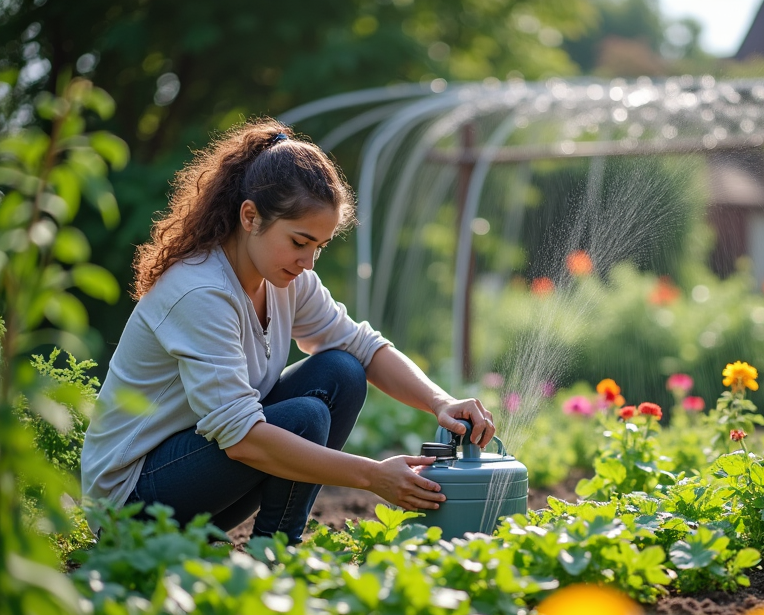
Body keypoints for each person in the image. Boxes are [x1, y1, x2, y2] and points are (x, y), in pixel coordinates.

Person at [81, 119, 495, 544]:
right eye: (299, 242)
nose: (308, 261)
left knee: (343, 371)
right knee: (305, 417)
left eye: (319, 246)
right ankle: (277, 552)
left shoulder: (286, 280)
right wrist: (372, 475)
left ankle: (272, 547)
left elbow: (363, 346)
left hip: (196, 484)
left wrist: (440, 402)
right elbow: (241, 439)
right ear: (250, 216)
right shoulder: (201, 292)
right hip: (129, 503)